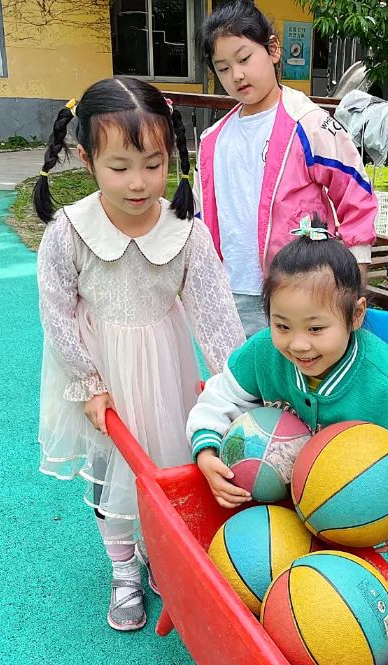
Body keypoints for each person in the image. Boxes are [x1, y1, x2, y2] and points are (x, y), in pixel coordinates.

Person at [34, 77, 245, 630]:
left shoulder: (185, 232)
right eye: (120, 166)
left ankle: (161, 555)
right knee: (112, 474)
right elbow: (55, 312)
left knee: (170, 466)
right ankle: (123, 568)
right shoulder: (69, 231)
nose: (138, 182)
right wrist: (87, 383)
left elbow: (215, 312)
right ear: (87, 159)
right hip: (102, 371)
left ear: (170, 156)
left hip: (166, 366)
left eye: (153, 164)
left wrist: (237, 384)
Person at [187, 217, 388, 554]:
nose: (298, 345)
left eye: (316, 328)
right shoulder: (263, 352)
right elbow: (220, 397)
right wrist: (206, 451)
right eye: (282, 325)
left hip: (344, 509)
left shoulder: (380, 377)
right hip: (273, 499)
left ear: (356, 315)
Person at [196, 0, 377, 336]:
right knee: (236, 384)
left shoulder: (308, 125)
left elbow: (356, 198)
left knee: (297, 385)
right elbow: (201, 218)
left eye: (245, 58)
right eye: (222, 68)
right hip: (229, 295)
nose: (236, 75)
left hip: (299, 293)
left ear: (273, 49)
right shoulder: (212, 141)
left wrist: (353, 285)